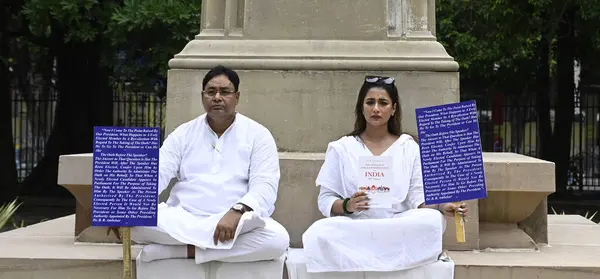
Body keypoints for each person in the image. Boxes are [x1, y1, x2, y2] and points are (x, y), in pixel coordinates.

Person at [301, 76, 468, 273]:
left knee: (432, 220)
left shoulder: (408, 147)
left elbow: (418, 197)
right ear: (361, 107)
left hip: (397, 226)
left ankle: (373, 256)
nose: (376, 109)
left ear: (393, 109)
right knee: (318, 232)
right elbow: (325, 200)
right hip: (358, 227)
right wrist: (348, 205)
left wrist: (442, 205)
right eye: (370, 102)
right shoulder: (342, 148)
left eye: (383, 103)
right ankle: (387, 257)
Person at [129, 65, 290, 265]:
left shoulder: (258, 135)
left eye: (225, 92)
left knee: (277, 240)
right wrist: (126, 208)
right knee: (134, 226)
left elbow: (265, 186)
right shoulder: (184, 133)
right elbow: (158, 172)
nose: (217, 97)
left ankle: (179, 252)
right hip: (184, 217)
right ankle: (206, 248)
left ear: (237, 97)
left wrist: (237, 211)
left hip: (233, 221)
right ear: (202, 96)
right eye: (211, 92)